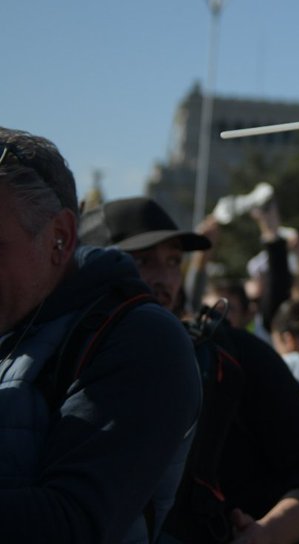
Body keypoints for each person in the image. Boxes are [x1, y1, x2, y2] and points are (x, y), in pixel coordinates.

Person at [80, 196, 299, 544]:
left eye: (174, 261)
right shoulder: (55, 359)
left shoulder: (229, 355)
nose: (164, 279)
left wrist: (266, 534)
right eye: (143, 261)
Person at [0, 128, 202, 543]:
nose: (164, 277)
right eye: (146, 259)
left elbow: (75, 523)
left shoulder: (140, 339)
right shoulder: (17, 315)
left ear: (60, 238)